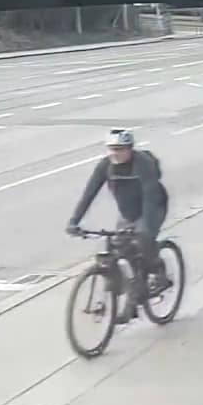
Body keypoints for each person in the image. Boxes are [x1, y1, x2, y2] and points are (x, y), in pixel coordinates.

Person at [66, 129, 170, 313]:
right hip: (128, 213)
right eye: (112, 149)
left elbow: (150, 196)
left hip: (153, 207)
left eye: (120, 149)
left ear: (130, 149)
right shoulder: (105, 166)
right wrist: (74, 221)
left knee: (144, 241)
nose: (115, 153)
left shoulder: (142, 164)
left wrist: (146, 228)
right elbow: (89, 193)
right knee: (119, 246)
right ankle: (132, 290)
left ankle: (158, 271)